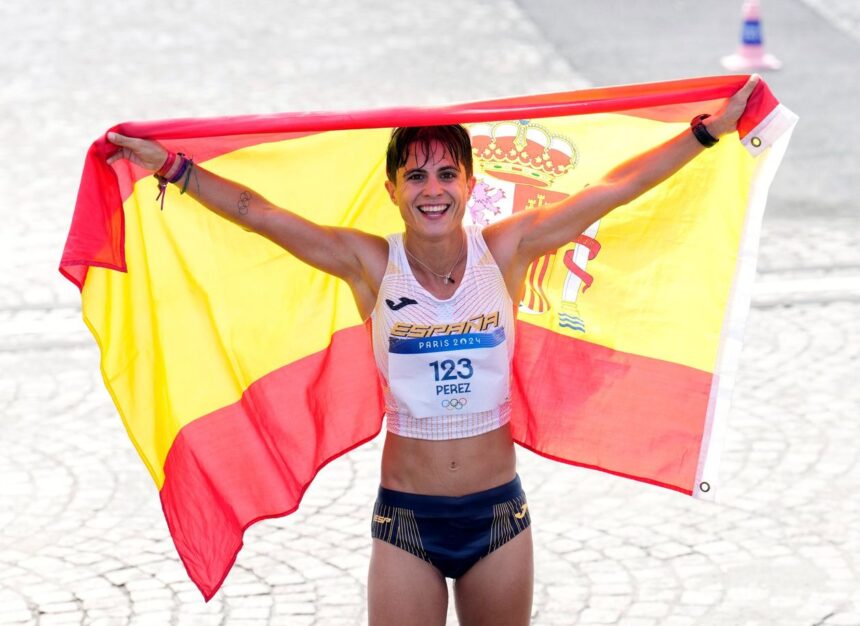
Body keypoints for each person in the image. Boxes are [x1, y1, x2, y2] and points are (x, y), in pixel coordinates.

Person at [106, 75, 759, 626]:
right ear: (392, 191)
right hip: (407, 523)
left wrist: (705, 132)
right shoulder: (367, 263)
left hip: (499, 515)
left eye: (448, 173)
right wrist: (173, 167)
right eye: (415, 175)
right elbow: (259, 213)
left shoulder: (503, 251)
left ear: (472, 184)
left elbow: (612, 191)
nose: (432, 189)